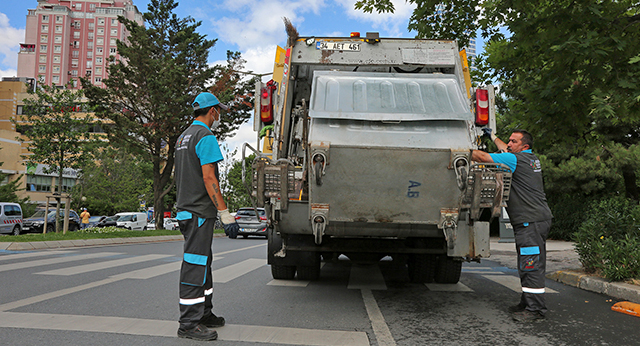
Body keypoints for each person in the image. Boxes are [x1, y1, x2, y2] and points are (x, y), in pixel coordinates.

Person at [174, 91, 240, 341]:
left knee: (204, 262)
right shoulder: (205, 136)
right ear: (213, 111)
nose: (219, 115)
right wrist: (224, 212)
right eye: (219, 111)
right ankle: (189, 323)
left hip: (186, 209)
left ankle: (204, 312)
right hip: (199, 211)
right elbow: (209, 176)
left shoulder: (184, 136)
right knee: (195, 263)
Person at [472, 129, 553, 322]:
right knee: (528, 262)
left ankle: (535, 310)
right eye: (508, 141)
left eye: (513, 141)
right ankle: (527, 303)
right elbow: (503, 148)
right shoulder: (529, 158)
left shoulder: (515, 160)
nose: (508, 144)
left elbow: (481, 156)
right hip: (535, 220)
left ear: (524, 146)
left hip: (530, 222)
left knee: (530, 265)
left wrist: (458, 147)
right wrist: (491, 136)